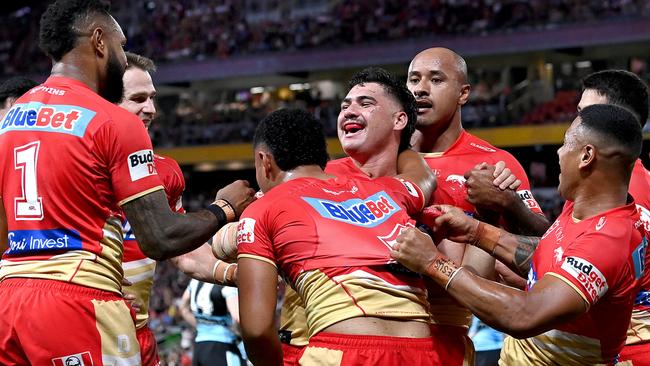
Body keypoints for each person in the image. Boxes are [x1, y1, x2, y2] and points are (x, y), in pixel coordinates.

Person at [0, 1, 254, 364]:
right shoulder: (112, 122)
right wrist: (224, 208)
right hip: (79, 302)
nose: (122, 55)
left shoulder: (15, 116)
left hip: (10, 299)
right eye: (120, 45)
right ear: (100, 41)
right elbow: (161, 237)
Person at [391, 104, 647, 365]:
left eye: (566, 142)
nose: (559, 152)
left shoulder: (609, 239)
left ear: (586, 156)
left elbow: (524, 315)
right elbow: (553, 258)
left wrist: (433, 263)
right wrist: (476, 231)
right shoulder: (586, 210)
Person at [237, 108, 438, 366]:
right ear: (323, 156)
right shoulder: (385, 192)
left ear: (264, 161)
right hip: (423, 351)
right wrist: (400, 141)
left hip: (344, 351)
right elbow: (423, 178)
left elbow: (256, 331)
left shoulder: (262, 209)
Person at [405, 46, 549, 364]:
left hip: (449, 333)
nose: (420, 89)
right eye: (413, 79)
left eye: (436, 79)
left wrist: (508, 204)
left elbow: (549, 248)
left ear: (463, 93)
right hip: (377, 326)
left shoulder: (495, 163)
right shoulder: (382, 159)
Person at [118, 51, 238, 366]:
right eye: (138, 99)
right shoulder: (79, 166)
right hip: (86, 322)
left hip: (137, 333)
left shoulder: (165, 172)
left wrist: (236, 273)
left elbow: (182, 252)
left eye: (153, 98)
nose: (151, 109)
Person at [578, 69, 650, 364]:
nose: (574, 125)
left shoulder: (612, 194)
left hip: (623, 352)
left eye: (584, 114)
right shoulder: (638, 180)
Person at [179, 279, 246, 366]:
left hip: (199, 347)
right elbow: (237, 317)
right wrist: (239, 334)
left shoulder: (195, 281)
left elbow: (183, 308)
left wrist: (202, 326)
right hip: (223, 346)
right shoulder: (226, 284)